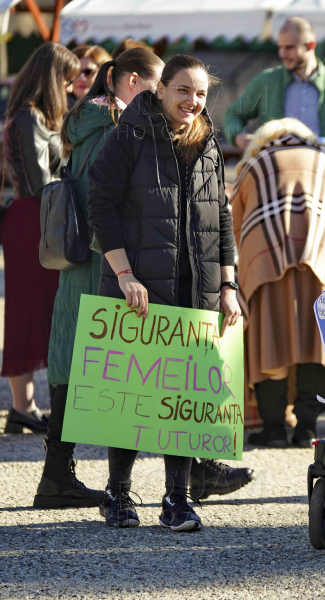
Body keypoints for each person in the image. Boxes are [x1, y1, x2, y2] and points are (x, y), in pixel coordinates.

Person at [87, 55, 241, 530]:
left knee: (183, 398)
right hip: (138, 288)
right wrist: (126, 274)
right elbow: (101, 207)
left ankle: (176, 500)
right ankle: (117, 493)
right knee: (132, 397)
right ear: (160, 90)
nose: (192, 101)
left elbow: (222, 216)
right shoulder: (127, 137)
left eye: (200, 93)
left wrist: (230, 284)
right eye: (183, 90)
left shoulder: (209, 142)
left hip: (197, 290)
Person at [34, 48, 163, 508]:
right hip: (103, 262)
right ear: (130, 80)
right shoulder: (112, 126)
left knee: (70, 360)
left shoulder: (86, 120)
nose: (161, 95)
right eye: (157, 85)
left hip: (84, 264)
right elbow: (100, 199)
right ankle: (187, 471)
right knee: (126, 367)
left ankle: (56, 474)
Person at [231, 118, 325, 448]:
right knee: (315, 343)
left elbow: (236, 222)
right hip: (324, 261)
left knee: (270, 341)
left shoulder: (256, 163)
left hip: (266, 262)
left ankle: (273, 429)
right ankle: (307, 429)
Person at [1, 43, 78, 435]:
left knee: (38, 310)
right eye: (65, 79)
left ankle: (24, 407)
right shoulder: (28, 118)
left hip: (36, 217)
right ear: (52, 78)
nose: (68, 86)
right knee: (27, 313)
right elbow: (38, 183)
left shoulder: (29, 116)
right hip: (34, 219)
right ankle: (22, 406)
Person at [225, 17, 325, 157]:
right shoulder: (267, 80)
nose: (282, 54)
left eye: (289, 47)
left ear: (310, 45)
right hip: (275, 172)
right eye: (280, 47)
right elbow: (233, 114)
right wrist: (238, 137)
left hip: (324, 173)